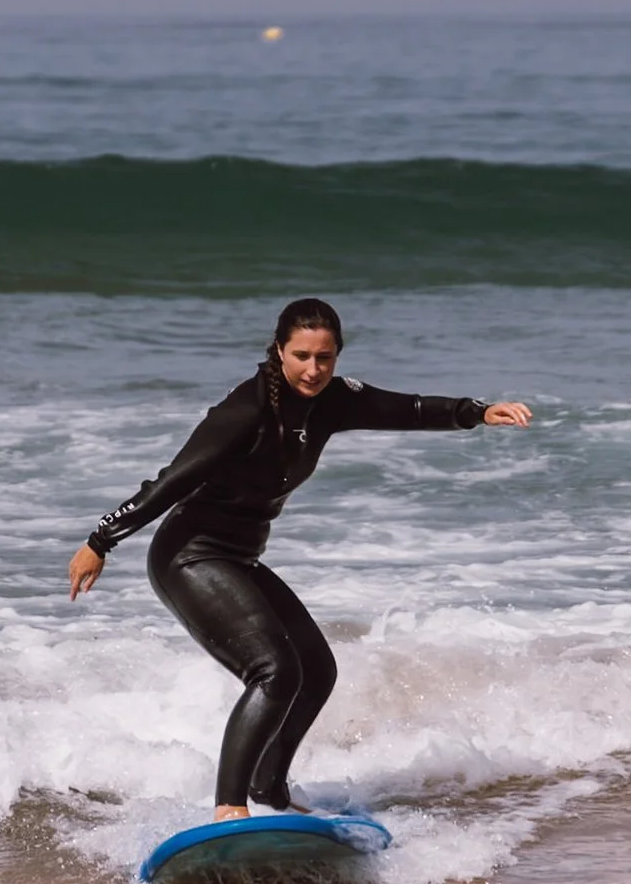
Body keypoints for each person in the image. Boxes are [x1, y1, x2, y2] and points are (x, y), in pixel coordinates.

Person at [67, 298, 533, 821]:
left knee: (317, 670)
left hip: (237, 557)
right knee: (275, 670)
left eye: (325, 357)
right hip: (190, 557)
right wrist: (101, 540)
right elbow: (172, 480)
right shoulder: (245, 412)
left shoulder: (331, 400)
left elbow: (409, 408)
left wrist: (476, 411)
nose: (314, 370)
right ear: (279, 351)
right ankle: (228, 807)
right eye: (302, 356)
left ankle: (270, 788)